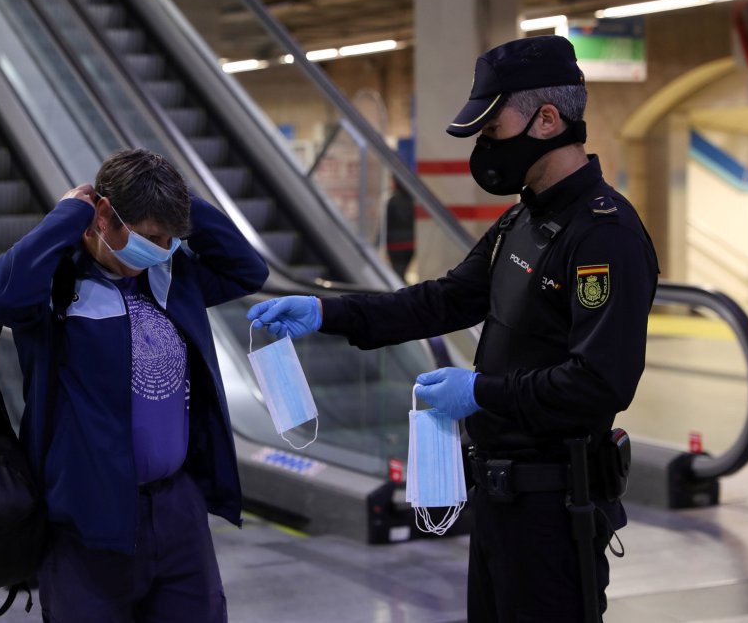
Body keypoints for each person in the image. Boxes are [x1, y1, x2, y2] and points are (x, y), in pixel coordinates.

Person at [247, 35, 659, 622]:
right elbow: (440, 302)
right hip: (498, 502)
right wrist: (326, 312)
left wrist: (480, 392)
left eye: (493, 128)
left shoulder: (604, 236)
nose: (486, 144)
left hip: (554, 507)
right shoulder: (521, 220)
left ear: (547, 120)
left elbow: (600, 383)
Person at [0, 148, 268, 622]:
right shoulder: (56, 288)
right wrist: (71, 213)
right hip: (87, 522)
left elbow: (247, 270)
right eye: (151, 236)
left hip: (177, 512)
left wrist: (179, 201)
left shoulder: (171, 277)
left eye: (172, 238)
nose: (161, 248)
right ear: (105, 216)